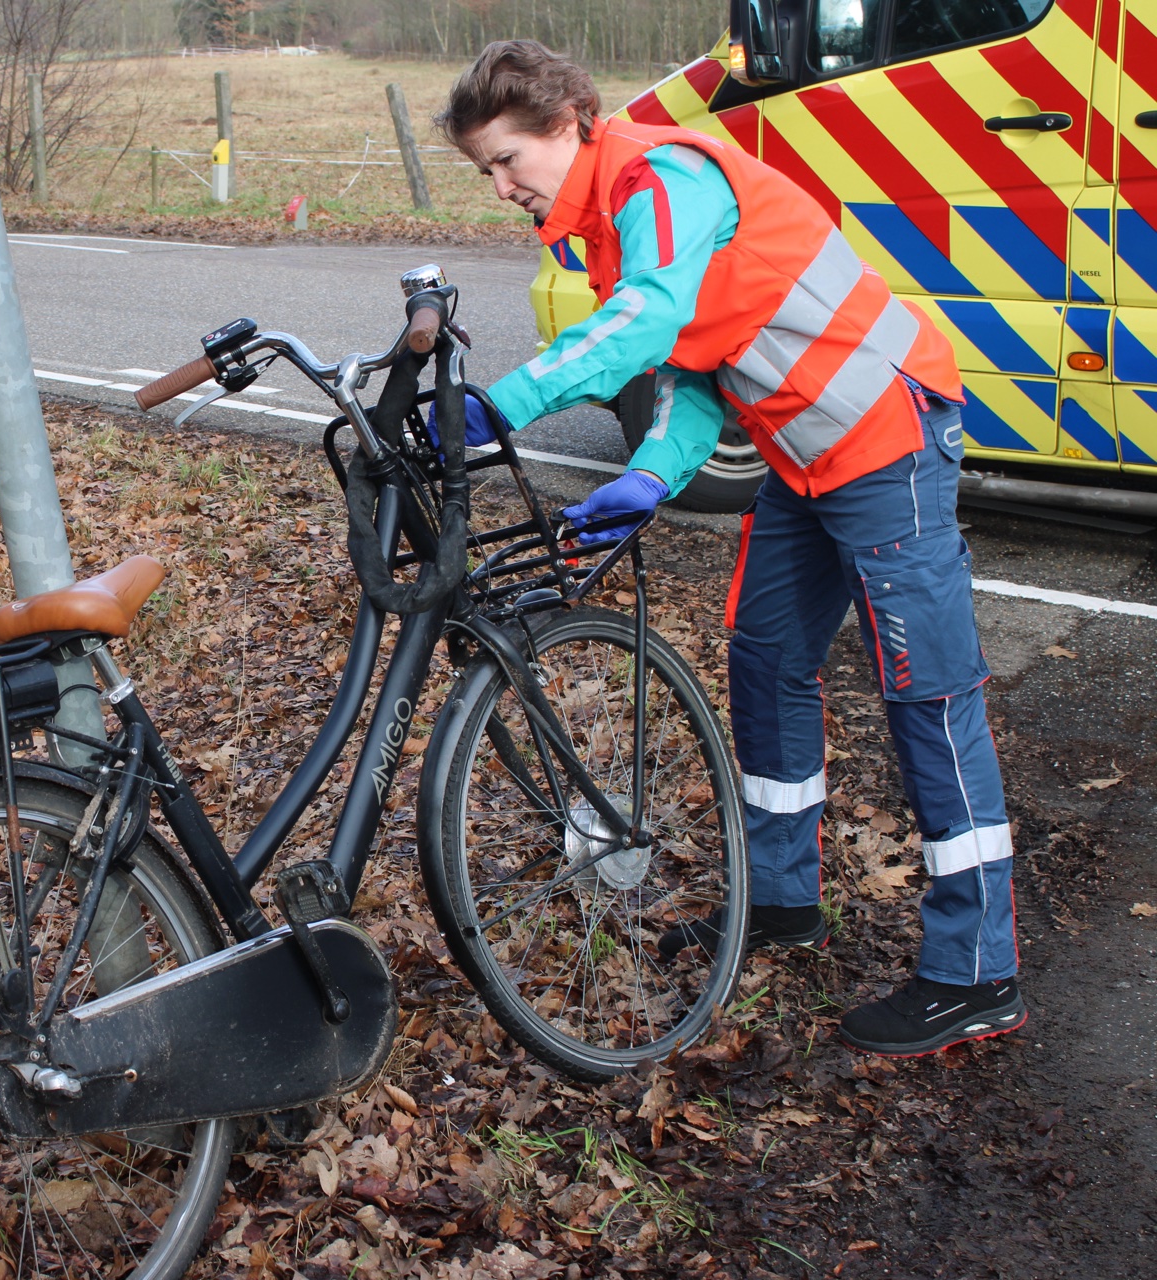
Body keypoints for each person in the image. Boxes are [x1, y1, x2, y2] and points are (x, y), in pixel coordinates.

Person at [437, 40, 1024, 1058]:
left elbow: (648, 321)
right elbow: (696, 371)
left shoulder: (659, 178)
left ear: (567, 126)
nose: (500, 189)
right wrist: (654, 475)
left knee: (929, 691)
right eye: (484, 171)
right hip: (806, 462)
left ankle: (976, 971)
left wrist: (506, 402)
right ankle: (785, 899)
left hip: (885, 439)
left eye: (506, 160)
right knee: (763, 662)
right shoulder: (618, 224)